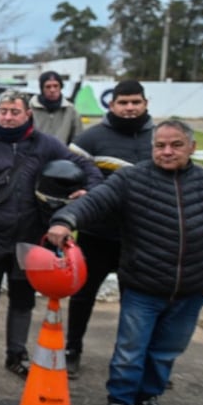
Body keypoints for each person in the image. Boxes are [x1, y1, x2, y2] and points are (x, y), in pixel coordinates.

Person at [47, 120, 203, 405]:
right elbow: (96, 201)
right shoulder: (131, 179)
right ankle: (119, 400)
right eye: (160, 145)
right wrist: (66, 219)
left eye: (175, 145)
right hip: (143, 286)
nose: (166, 151)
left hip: (192, 290)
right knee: (130, 350)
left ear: (192, 147)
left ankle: (148, 397)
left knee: (166, 351)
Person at [0, 90, 100, 391]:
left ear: (28, 114)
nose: (8, 116)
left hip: (30, 241)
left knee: (23, 302)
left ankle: (16, 354)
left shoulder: (46, 144)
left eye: (14, 111)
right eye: (3, 110)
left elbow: (87, 167)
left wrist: (89, 189)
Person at [64, 79, 154, 378]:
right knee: (83, 295)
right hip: (97, 234)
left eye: (135, 102)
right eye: (123, 102)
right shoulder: (91, 139)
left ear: (145, 103)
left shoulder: (159, 139)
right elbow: (70, 176)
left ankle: (132, 360)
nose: (130, 108)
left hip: (142, 236)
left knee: (138, 303)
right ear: (111, 104)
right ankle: (72, 349)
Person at [30, 71, 82, 145]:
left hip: (63, 155)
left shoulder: (71, 110)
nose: (52, 90)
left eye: (56, 86)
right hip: (35, 155)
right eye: (48, 87)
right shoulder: (30, 109)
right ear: (42, 89)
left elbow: (78, 139)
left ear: (60, 87)